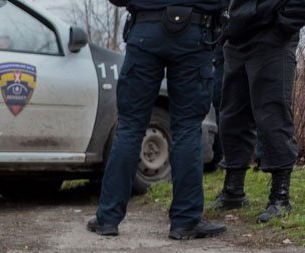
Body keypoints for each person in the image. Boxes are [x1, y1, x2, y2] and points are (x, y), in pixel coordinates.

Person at [87, 0, 227, 239]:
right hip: (195, 33)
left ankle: (108, 218)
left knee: (130, 126)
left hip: (145, 30)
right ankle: (185, 221)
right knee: (187, 127)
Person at [209, 0, 305, 221]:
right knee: (232, 116)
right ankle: (233, 190)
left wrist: (283, 26)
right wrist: (226, 26)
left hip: (273, 38)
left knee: (273, 115)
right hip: (237, 38)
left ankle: (280, 197)